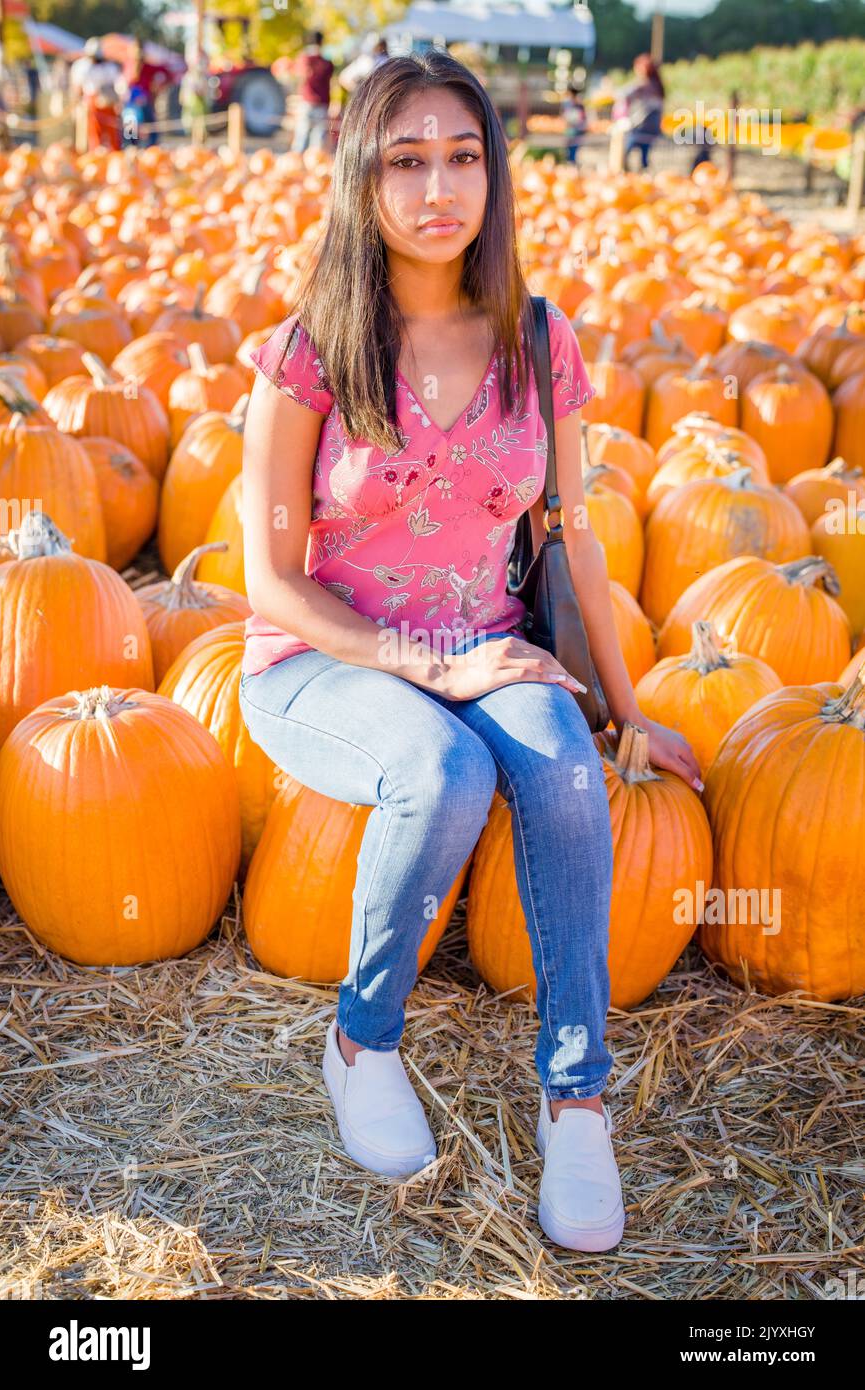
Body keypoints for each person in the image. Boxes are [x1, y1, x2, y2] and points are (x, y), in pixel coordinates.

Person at [239, 50, 700, 1253]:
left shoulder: (538, 342)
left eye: (462, 156)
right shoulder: (310, 351)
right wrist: (426, 667)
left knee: (556, 764)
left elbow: (578, 540)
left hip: (486, 643)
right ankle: (361, 1038)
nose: (437, 186)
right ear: (361, 178)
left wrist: (627, 705)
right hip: (319, 656)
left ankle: (576, 1094)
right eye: (405, 159)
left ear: (493, 173)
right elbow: (269, 578)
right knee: (439, 770)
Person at [613, 52, 665, 172]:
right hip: (653, 127)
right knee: (644, 155)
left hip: (641, 126)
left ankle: (627, 175)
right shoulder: (657, 86)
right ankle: (641, 175)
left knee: (626, 151)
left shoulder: (644, 85)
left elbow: (622, 93)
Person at [288, 29, 334, 153]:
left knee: (301, 138)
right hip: (322, 103)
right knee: (318, 142)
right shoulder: (327, 63)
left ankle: (295, 168)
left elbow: (300, 78)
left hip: (306, 102)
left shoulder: (303, 59)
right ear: (321, 42)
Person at [117, 38, 167, 147]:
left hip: (145, 102)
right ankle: (131, 149)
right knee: (130, 135)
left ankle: (150, 149)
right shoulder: (128, 65)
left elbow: (164, 72)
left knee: (151, 130)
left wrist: (158, 86)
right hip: (131, 105)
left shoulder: (148, 67)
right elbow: (123, 84)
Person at [561, 81, 587, 165]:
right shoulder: (567, 104)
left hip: (576, 131)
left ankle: (572, 165)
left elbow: (582, 119)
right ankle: (570, 164)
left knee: (573, 152)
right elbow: (565, 117)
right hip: (570, 131)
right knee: (568, 152)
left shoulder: (579, 106)